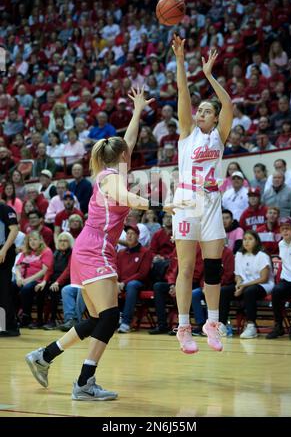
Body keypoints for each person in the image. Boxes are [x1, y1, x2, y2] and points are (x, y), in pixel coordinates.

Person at [25, 87, 177, 401]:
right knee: (109, 317)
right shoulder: (109, 178)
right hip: (94, 249)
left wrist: (136, 112)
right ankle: (84, 382)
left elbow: (129, 140)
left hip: (91, 248)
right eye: (128, 152)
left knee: (96, 318)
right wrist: (161, 205)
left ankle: (45, 355)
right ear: (122, 157)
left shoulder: (115, 168)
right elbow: (125, 198)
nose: (131, 153)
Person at [171, 36, 233, 354]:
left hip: (211, 202)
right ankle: (184, 326)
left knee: (212, 269)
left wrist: (209, 75)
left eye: (208, 111)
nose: (203, 113)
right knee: (185, 267)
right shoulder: (187, 134)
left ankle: (211, 322)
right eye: (202, 110)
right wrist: (181, 60)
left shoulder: (219, 137)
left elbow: (229, 106)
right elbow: (183, 93)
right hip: (186, 200)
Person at [219, 230, 274, 339]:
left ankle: (251, 326)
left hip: (263, 285)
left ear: (256, 241)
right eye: (244, 239)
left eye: (250, 239)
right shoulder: (239, 254)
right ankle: (222, 325)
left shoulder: (262, 255)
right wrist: (238, 284)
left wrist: (244, 286)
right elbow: (238, 275)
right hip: (245, 285)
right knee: (224, 291)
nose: (246, 242)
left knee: (250, 291)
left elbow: (264, 278)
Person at [266, 217, 291, 340]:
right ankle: (278, 326)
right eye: (282, 229)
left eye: (288, 228)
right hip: (286, 281)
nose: (285, 231)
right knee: (276, 292)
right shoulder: (281, 244)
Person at [0, 202, 19, 337]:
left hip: (4, 252)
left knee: (3, 290)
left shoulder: (5, 209)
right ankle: (2, 325)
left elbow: (14, 230)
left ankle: (11, 326)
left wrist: (3, 250)